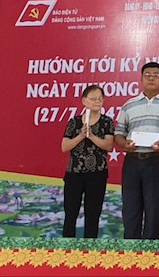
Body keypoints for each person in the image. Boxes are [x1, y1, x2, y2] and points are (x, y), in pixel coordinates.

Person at [114, 62, 159, 239]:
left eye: (156, 75)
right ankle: (130, 248)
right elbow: (119, 132)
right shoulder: (129, 104)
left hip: (157, 160)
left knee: (154, 208)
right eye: (147, 75)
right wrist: (124, 143)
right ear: (141, 79)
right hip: (132, 161)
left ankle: (151, 251)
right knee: (131, 208)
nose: (151, 78)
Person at [61, 84, 114, 238]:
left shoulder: (106, 122)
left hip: (97, 174)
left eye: (100, 99)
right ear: (84, 101)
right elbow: (64, 146)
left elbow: (108, 145)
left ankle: (90, 249)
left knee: (93, 215)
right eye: (93, 99)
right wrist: (80, 136)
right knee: (70, 213)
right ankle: (67, 247)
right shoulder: (75, 122)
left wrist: (91, 136)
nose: (97, 102)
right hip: (74, 173)